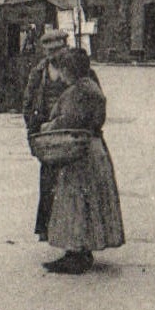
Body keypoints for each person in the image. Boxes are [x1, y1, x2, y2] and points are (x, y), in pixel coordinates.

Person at [38, 46, 125, 274]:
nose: (61, 75)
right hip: (94, 149)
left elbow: (68, 122)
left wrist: (46, 127)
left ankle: (76, 253)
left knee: (75, 201)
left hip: (80, 152)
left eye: (64, 70)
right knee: (90, 202)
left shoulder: (77, 92)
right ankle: (82, 250)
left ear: (71, 70)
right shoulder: (91, 87)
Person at [22, 26, 69, 242]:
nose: (53, 56)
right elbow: (28, 101)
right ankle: (47, 228)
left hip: (69, 130)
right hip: (47, 134)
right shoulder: (39, 72)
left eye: (57, 51)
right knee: (48, 180)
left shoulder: (77, 69)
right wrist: (32, 129)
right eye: (50, 52)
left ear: (65, 48)